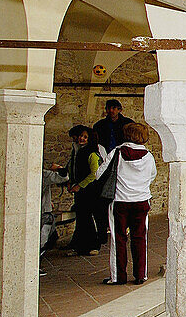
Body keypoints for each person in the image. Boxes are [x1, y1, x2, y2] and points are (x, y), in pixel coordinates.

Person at [96, 122, 157, 285]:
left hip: (120, 201)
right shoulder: (149, 156)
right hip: (141, 201)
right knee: (140, 238)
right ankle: (140, 275)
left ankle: (118, 277)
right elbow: (152, 175)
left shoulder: (117, 153)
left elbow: (99, 174)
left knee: (119, 239)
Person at [58, 125, 105, 256]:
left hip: (89, 191)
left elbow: (94, 174)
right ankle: (80, 247)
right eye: (81, 136)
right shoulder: (78, 152)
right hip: (81, 192)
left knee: (87, 219)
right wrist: (70, 183)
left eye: (85, 137)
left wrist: (79, 185)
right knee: (82, 220)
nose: (81, 138)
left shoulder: (92, 154)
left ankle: (93, 245)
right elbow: (73, 169)